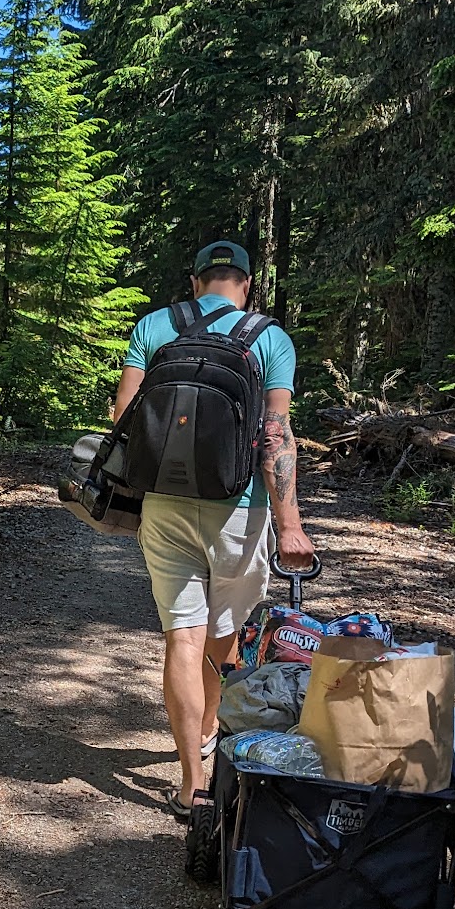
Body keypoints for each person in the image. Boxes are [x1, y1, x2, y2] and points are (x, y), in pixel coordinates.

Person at [113, 239, 316, 817]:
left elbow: (122, 415)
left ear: (196, 282)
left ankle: (190, 781)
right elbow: (275, 433)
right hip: (240, 506)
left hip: (164, 504)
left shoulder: (155, 326)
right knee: (221, 634)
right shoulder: (269, 339)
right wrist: (291, 525)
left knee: (181, 635)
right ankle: (206, 727)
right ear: (246, 284)